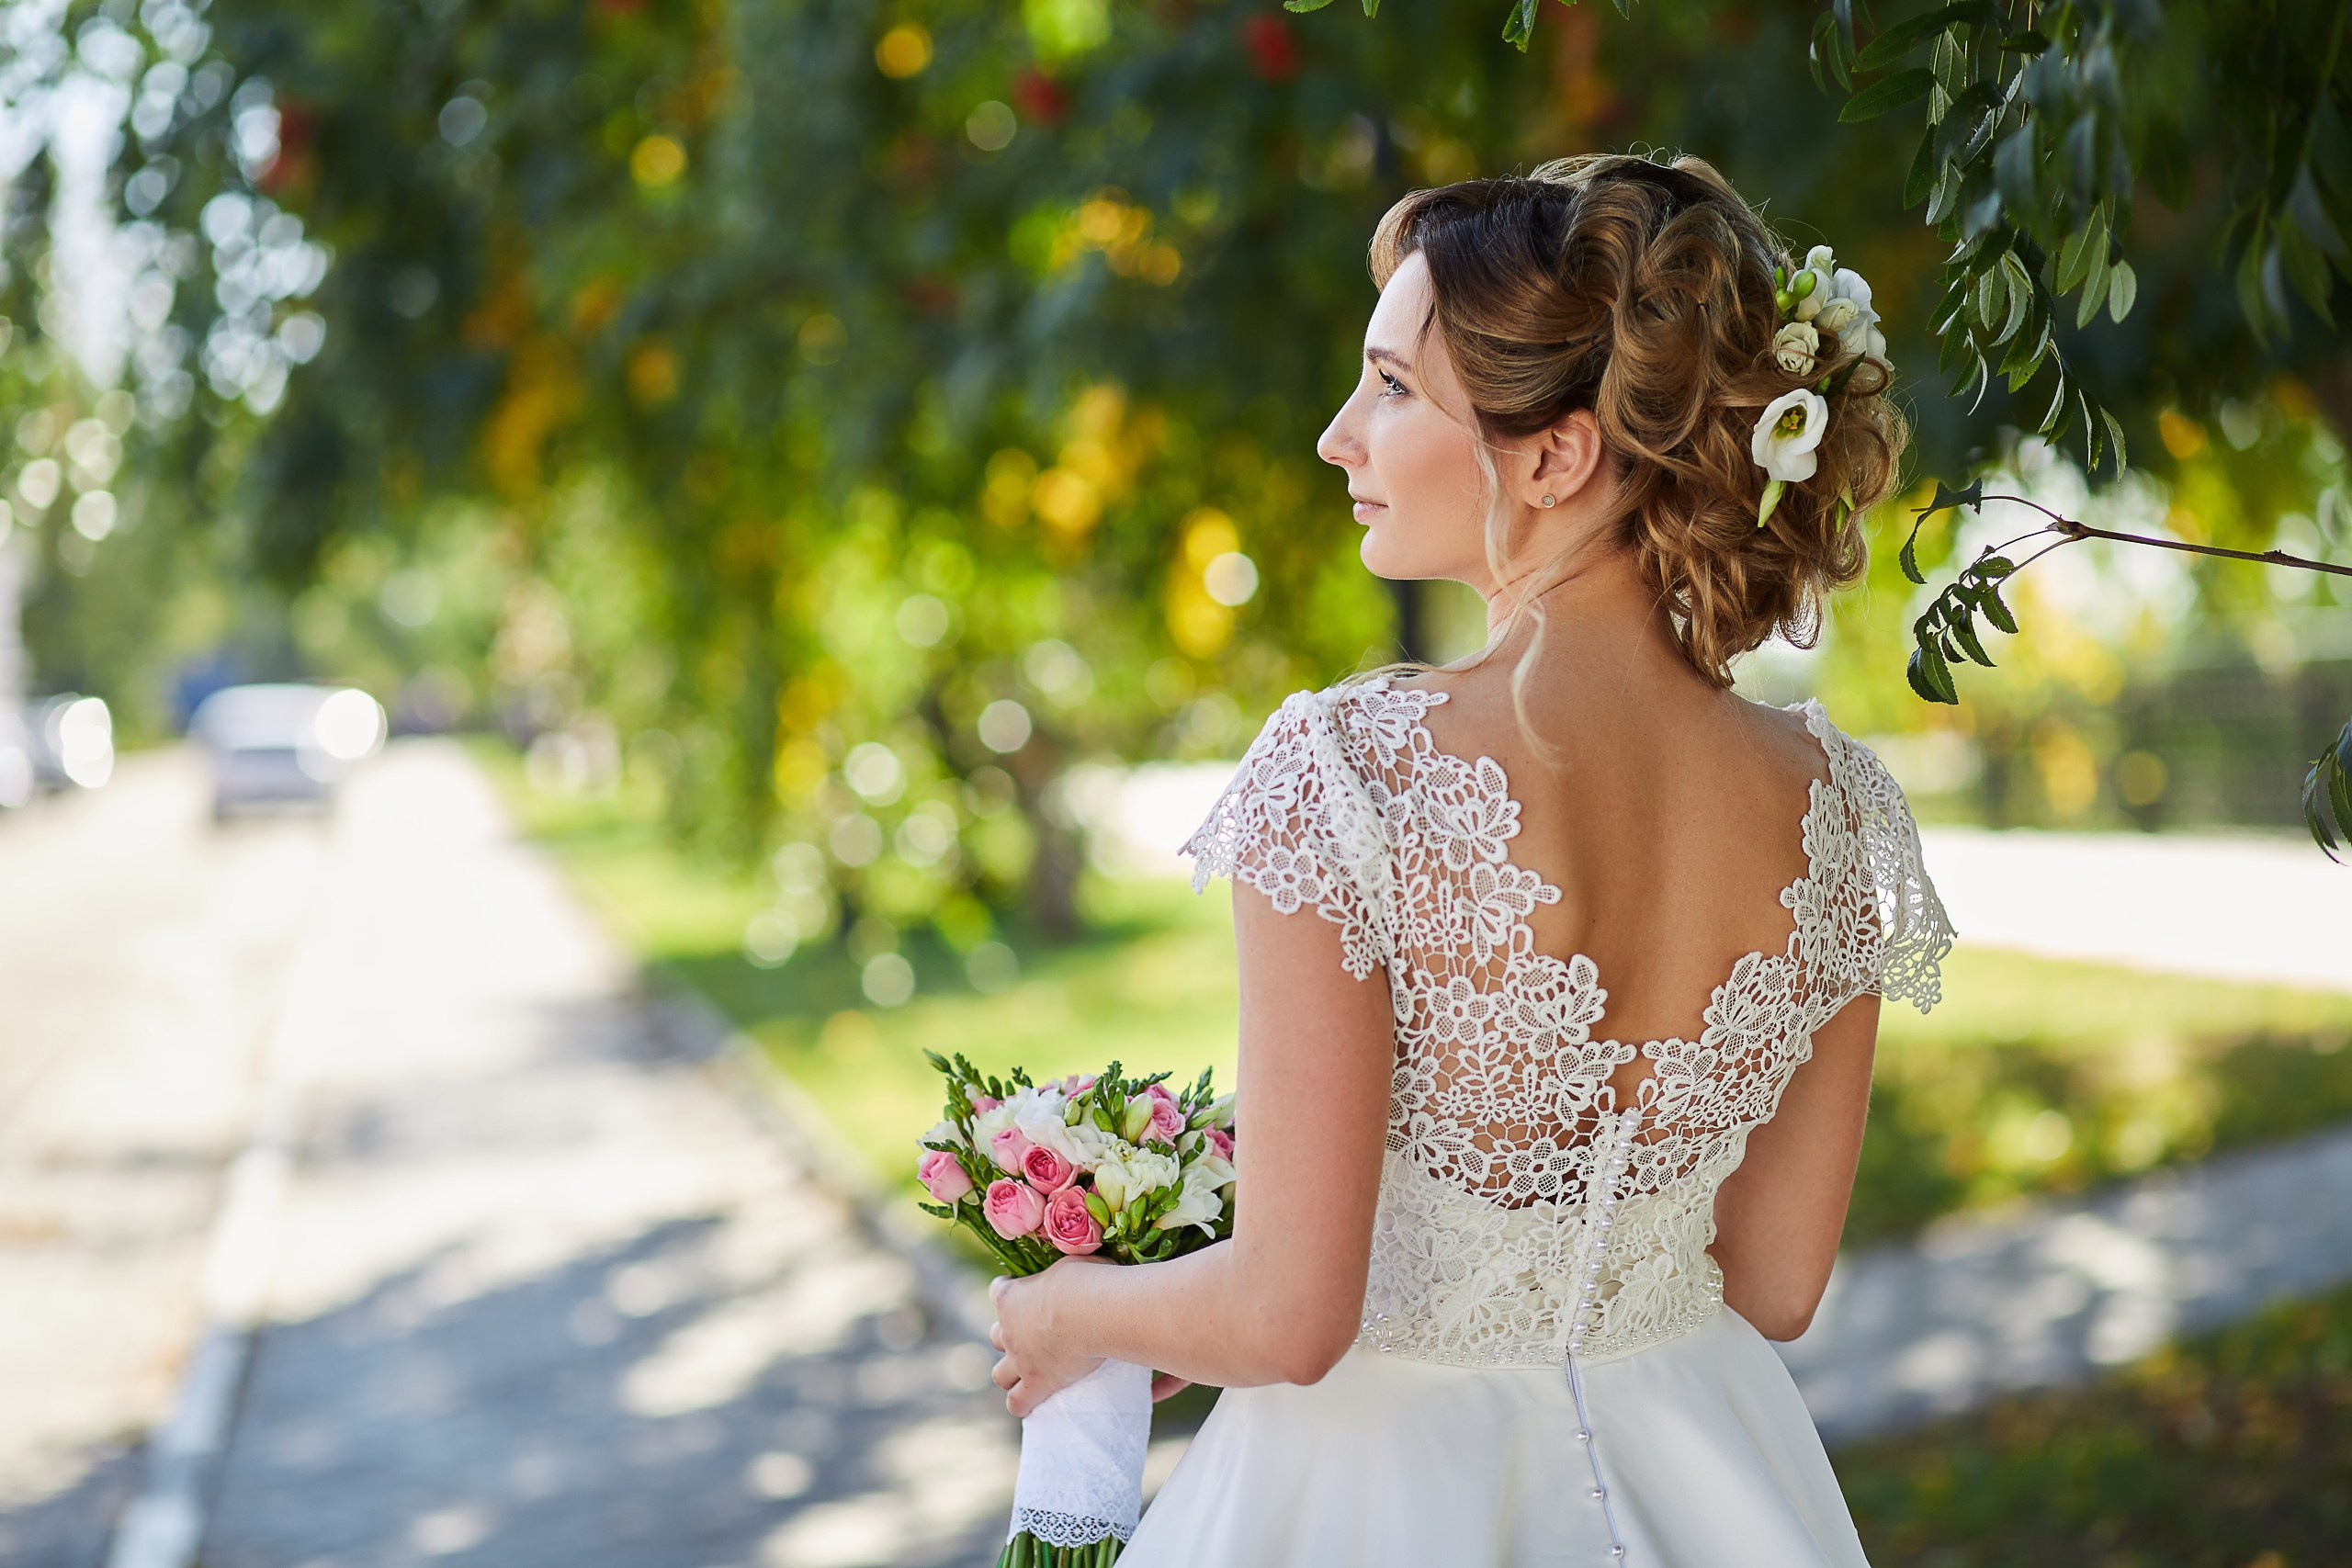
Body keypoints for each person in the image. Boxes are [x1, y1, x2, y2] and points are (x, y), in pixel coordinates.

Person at [985, 152, 1954, 1566]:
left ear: (1556, 454)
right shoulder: (1840, 813)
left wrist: (1070, 1313)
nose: (1338, 436)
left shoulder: (1350, 774)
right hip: (1712, 1478)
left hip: (1375, 1495)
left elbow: (1287, 1319)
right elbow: (1775, 1281)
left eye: (1389, 387)